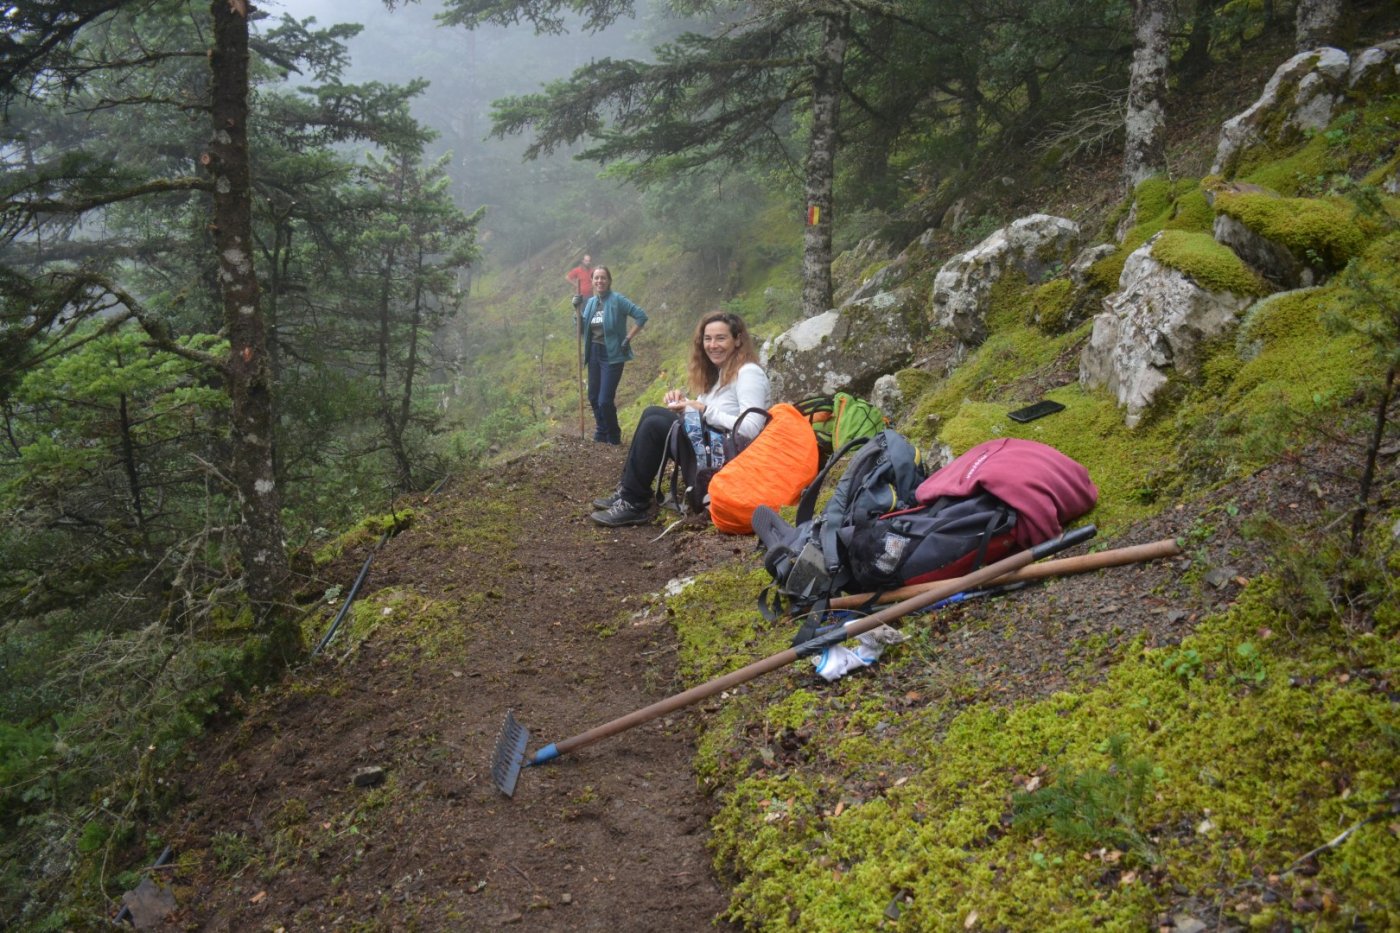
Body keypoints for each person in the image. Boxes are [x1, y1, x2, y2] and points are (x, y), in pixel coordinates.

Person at [591, 311, 769, 527]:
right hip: (710, 447)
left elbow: (751, 429)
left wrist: (702, 408)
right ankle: (628, 491)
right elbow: (709, 414)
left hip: (728, 458)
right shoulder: (719, 374)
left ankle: (634, 503)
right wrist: (685, 404)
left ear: (738, 340)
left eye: (721, 338)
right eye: (708, 339)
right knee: (652, 413)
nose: (713, 345)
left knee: (655, 424)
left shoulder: (749, 373)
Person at [580, 266, 647, 445]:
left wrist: (628, 338)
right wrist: (576, 310)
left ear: (609, 281)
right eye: (596, 278)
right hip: (594, 353)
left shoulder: (617, 300)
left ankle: (614, 436)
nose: (599, 281)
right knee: (593, 397)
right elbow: (582, 329)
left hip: (612, 355)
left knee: (604, 401)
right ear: (592, 282)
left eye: (603, 278)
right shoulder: (591, 303)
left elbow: (641, 316)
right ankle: (602, 432)